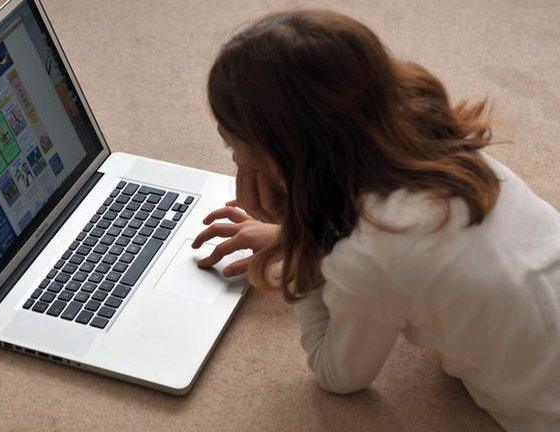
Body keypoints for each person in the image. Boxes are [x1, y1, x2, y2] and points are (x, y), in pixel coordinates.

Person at [193, 9, 560, 431]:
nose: (236, 157)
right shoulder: (449, 152)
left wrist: (304, 246)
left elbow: (339, 376)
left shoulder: (367, 258)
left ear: (284, 155)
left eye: (232, 142)